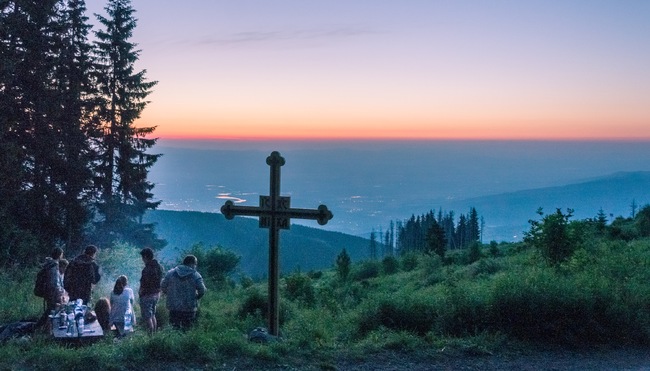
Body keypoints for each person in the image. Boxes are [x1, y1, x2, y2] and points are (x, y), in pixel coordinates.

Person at [161, 255, 206, 329]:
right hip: (189, 308)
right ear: (191, 263)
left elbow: (163, 286)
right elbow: (202, 290)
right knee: (187, 329)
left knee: (174, 329)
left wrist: (169, 294)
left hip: (173, 307)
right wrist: (196, 297)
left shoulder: (171, 273)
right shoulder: (195, 275)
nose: (196, 266)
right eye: (195, 264)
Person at [35, 247, 65, 329]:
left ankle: (42, 326)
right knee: (52, 311)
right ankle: (39, 327)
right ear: (59, 255)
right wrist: (60, 293)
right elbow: (55, 283)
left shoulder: (49, 264)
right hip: (52, 293)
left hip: (48, 291)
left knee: (50, 310)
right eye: (62, 254)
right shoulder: (54, 266)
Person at [139, 247, 164, 335]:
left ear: (145, 257)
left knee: (147, 317)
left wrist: (141, 292)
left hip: (147, 295)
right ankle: (154, 334)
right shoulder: (159, 267)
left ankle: (150, 336)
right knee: (152, 315)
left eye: (143, 257)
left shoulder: (147, 269)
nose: (142, 260)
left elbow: (144, 283)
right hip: (157, 294)